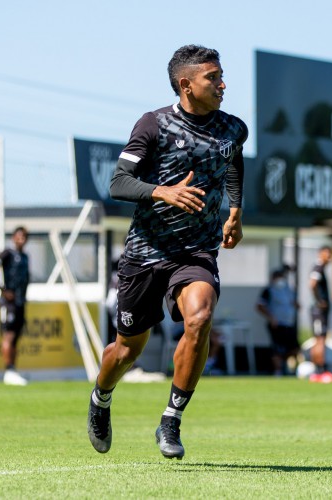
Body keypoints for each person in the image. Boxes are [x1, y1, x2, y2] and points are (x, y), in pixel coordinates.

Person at [86, 44, 248, 460]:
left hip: (196, 250)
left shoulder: (233, 128)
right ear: (186, 84)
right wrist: (164, 191)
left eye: (221, 74)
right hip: (146, 251)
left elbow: (232, 162)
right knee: (126, 350)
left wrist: (234, 210)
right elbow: (119, 183)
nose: (222, 83)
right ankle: (101, 399)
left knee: (200, 316)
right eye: (212, 77)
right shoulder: (153, 125)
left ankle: (171, 420)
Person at [0, 226, 30, 386]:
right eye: (19, 236)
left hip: (20, 302)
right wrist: (3, 290)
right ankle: (8, 370)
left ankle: (13, 371)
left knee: (17, 337)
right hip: (9, 303)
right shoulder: (7, 253)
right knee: (9, 335)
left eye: (24, 237)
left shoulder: (25, 256)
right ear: (13, 238)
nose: (22, 239)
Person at [256, 267, 300, 376]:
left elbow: (294, 303)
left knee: (295, 348)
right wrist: (271, 318)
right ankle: (278, 371)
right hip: (277, 325)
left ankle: (287, 366)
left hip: (288, 324)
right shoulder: (269, 290)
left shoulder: (288, 290)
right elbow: (260, 305)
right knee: (277, 349)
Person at [308, 246, 332, 382]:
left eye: (331, 254)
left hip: (321, 311)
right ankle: (320, 370)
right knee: (320, 340)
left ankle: (318, 371)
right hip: (319, 311)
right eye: (327, 254)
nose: (330, 257)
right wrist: (319, 300)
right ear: (321, 254)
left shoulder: (321, 268)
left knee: (320, 339)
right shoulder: (318, 267)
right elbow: (312, 284)